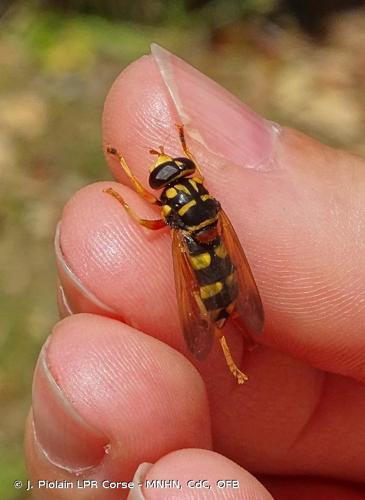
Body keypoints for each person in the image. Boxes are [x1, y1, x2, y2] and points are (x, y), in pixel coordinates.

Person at [25, 46, 365, 499]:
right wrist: (182, 149)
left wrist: (125, 180)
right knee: (214, 288)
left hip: (203, 256)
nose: (169, 172)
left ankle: (227, 351)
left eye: (171, 169)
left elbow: (148, 222)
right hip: (216, 250)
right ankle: (227, 351)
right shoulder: (204, 202)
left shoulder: (169, 214)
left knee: (199, 298)